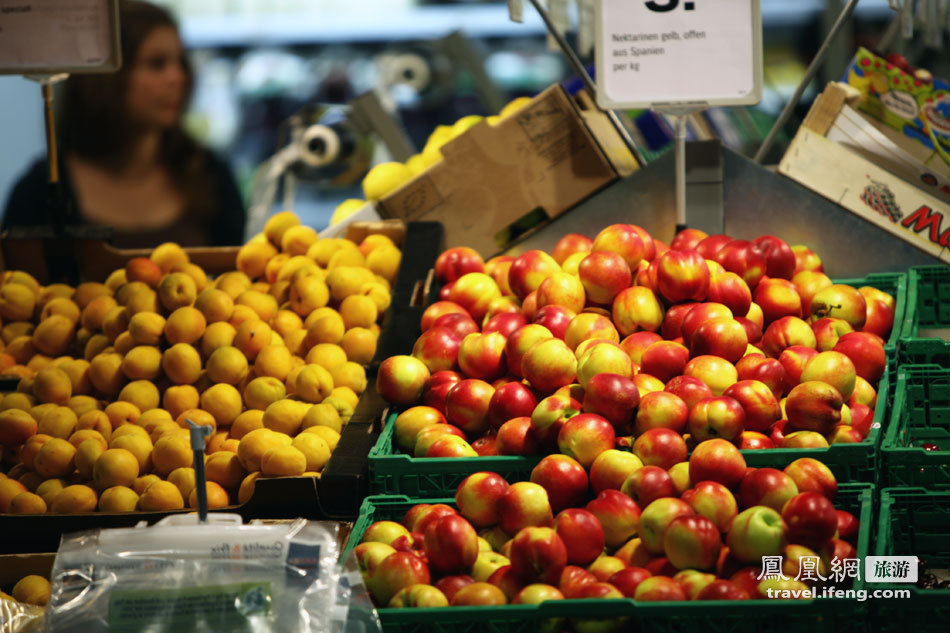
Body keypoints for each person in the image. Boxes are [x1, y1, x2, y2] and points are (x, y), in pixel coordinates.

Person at [2, 0, 245, 248]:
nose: (178, 77)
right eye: (157, 64)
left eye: (181, 62)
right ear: (106, 76)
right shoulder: (40, 190)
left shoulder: (208, 173)